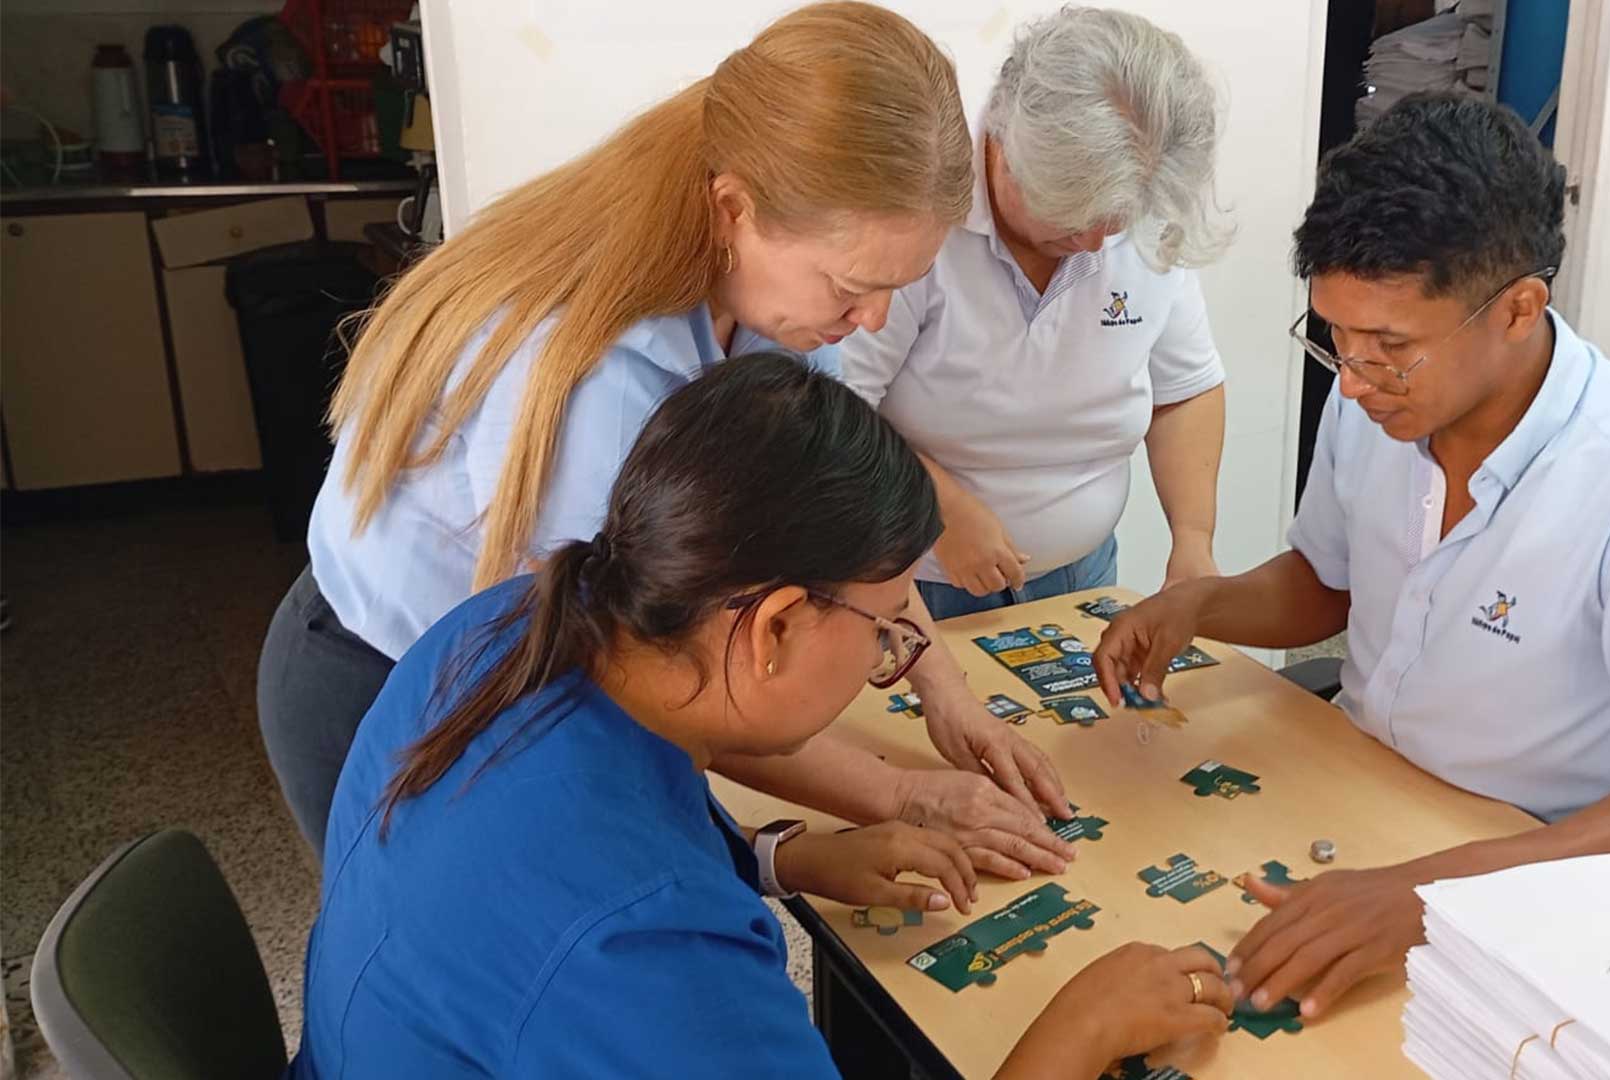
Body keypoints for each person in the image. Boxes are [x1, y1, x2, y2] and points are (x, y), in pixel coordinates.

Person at [258, 2, 1075, 873]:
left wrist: (950, 696)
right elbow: (655, 683)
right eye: (851, 287)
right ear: (736, 208)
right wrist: (899, 793)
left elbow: (847, 524)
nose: (871, 319)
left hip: (531, 675)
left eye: (895, 289)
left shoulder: (771, 303)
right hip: (381, 682)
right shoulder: (595, 384)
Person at [291, 355, 1235, 1077]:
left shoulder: (498, 629)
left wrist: (784, 859)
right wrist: (1080, 1031)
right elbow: (610, 910)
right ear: (776, 626)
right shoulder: (653, 949)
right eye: (885, 632)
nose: (889, 661)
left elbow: (591, 839)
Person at [1091, 94, 1610, 1022]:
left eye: (1391, 347)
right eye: (1334, 333)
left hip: (1540, 865)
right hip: (1368, 806)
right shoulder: (1377, 403)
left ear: (1519, 309)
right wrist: (1199, 605)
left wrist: (1423, 897)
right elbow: (1327, 584)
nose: (1357, 374)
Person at [841, 6, 1230, 620]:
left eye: (1117, 219)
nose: (1097, 244)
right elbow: (834, 408)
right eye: (1073, 215)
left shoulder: (1142, 209)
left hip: (1083, 573)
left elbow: (1185, 390)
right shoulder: (920, 216)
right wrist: (936, 510)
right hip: (916, 578)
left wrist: (1194, 542)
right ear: (1003, 147)